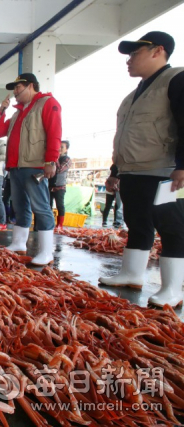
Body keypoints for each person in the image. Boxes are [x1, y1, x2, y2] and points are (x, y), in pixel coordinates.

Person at [98, 31, 184, 308]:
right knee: (137, 223)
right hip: (133, 170)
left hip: (165, 171)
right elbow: (124, 136)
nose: (129, 60)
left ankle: (172, 288)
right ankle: (132, 274)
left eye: (135, 53)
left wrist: (183, 166)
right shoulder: (133, 95)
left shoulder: (177, 80)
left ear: (158, 51)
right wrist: (115, 170)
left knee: (172, 227)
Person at [0, 73, 62, 266]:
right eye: (14, 89)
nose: (15, 92)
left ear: (31, 86)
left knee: (41, 207)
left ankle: (46, 252)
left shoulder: (47, 103)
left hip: (34, 165)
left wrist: (51, 160)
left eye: (18, 87)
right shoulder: (17, 112)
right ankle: (18, 243)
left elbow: (55, 131)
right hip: (15, 167)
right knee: (20, 205)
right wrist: (2, 110)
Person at [48, 140, 72, 232]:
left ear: (66, 149)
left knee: (60, 205)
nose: (59, 149)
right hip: (50, 185)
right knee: (48, 205)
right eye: (59, 147)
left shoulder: (67, 160)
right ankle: (50, 223)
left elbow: (59, 169)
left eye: (62, 147)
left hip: (60, 186)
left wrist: (55, 158)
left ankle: (59, 225)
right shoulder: (53, 158)